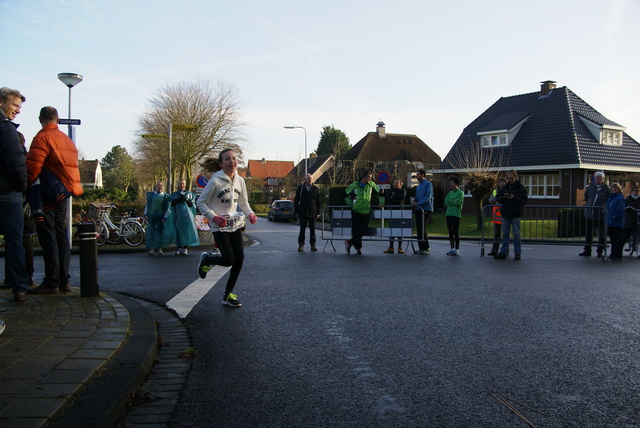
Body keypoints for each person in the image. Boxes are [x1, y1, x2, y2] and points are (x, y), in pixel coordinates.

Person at [26, 106, 82, 295]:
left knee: (47, 236)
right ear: (57, 120)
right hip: (64, 192)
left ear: (40, 119)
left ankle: (51, 281)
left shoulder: (42, 138)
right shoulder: (66, 140)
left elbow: (33, 168)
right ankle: (64, 280)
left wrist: (26, 187)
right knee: (61, 235)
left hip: (48, 194)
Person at [196, 149, 257, 307]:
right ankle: (207, 259)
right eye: (227, 159)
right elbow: (201, 203)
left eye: (234, 159)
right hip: (219, 226)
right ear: (221, 163)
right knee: (229, 259)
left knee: (240, 258)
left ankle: (228, 294)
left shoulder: (240, 181)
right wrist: (213, 217)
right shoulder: (215, 181)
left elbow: (243, 203)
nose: (232, 162)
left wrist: (250, 214)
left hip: (234, 224)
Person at [0, 87, 29, 302]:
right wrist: (22, 186)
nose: (18, 110)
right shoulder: (6, 129)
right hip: (7, 192)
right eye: (15, 105)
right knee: (14, 240)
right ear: (2, 102)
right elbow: (17, 163)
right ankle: (19, 286)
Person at [2, 132, 36, 291]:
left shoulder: (15, 155)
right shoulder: (25, 156)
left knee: (15, 240)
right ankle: (23, 280)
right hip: (24, 202)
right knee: (22, 240)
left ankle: (15, 278)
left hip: (16, 199)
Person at [494, 169, 528, 260]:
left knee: (516, 234)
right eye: (509, 178)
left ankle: (517, 253)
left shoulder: (521, 188)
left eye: (512, 178)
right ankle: (503, 252)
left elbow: (524, 200)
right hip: (506, 213)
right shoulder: (504, 188)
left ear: (515, 177)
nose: (510, 180)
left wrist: (514, 198)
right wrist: (504, 197)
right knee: (505, 234)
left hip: (516, 213)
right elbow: (498, 197)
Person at [344, 170, 380, 255]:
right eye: (369, 177)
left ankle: (349, 242)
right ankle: (358, 249)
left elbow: (379, 193)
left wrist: (381, 203)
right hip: (356, 210)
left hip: (366, 210)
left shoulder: (371, 185)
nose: (371, 179)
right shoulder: (354, 185)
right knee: (356, 230)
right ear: (364, 177)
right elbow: (345, 194)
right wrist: (352, 203)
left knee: (364, 229)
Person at [579, 171, 609, 257]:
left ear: (603, 179)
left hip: (600, 214)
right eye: (597, 177)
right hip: (590, 213)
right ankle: (587, 250)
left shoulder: (606, 188)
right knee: (588, 233)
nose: (598, 179)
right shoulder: (590, 187)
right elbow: (587, 197)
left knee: (601, 234)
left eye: (600, 178)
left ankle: (600, 251)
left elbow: (607, 199)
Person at [169, 178, 199, 255]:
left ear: (185, 185)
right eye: (180, 184)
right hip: (178, 215)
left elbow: (191, 205)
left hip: (187, 216)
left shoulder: (189, 194)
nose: (182, 185)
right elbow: (172, 204)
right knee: (178, 231)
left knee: (186, 231)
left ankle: (185, 248)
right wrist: (178, 200)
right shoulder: (175, 194)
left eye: (183, 184)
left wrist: (186, 199)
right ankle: (179, 247)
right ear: (178, 185)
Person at [294, 173, 321, 252]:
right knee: (302, 229)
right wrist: (296, 211)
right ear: (305, 179)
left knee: (313, 230)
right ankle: (301, 244)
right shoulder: (301, 188)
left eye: (311, 178)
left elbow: (318, 201)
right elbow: (296, 200)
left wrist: (318, 212)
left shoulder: (315, 189)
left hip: (313, 212)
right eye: (308, 178)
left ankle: (313, 245)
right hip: (303, 212)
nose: (310, 180)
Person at [144, 181, 172, 255]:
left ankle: (160, 248)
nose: (160, 187)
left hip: (160, 217)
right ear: (156, 186)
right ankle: (152, 248)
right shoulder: (152, 195)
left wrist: (165, 217)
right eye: (158, 185)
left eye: (161, 185)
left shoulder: (165, 196)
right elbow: (148, 205)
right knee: (152, 232)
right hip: (152, 216)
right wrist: (145, 214)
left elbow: (167, 208)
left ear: (163, 187)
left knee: (160, 232)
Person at [412, 169, 433, 255]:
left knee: (423, 228)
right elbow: (418, 196)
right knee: (419, 228)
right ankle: (421, 247)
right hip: (418, 209)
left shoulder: (428, 184)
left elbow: (428, 196)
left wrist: (419, 203)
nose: (417, 176)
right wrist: (413, 200)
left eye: (418, 174)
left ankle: (426, 247)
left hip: (425, 209)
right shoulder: (419, 186)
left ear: (423, 175)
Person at [383, 178, 407, 254]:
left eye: (397, 183)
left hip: (400, 211)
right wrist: (394, 198)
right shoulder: (391, 191)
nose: (396, 184)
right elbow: (388, 199)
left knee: (399, 230)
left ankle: (400, 247)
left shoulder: (403, 191)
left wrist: (393, 198)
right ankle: (391, 247)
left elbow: (401, 198)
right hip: (391, 211)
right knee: (391, 230)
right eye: (395, 183)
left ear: (401, 184)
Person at [444, 176, 464, 256]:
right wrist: (452, 201)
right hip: (449, 213)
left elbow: (458, 203)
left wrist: (451, 201)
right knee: (450, 232)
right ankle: (452, 248)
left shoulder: (460, 193)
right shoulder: (450, 193)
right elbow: (446, 202)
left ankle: (457, 249)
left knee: (455, 231)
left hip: (456, 214)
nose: (451, 184)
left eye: (452, 183)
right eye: (450, 182)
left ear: (456, 184)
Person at [487, 178, 506, 256]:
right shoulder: (495, 191)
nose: (501, 184)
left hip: (505, 215)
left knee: (505, 234)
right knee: (496, 234)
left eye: (503, 182)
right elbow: (490, 200)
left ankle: (505, 251)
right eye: (500, 182)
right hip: (497, 216)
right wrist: (497, 197)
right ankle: (494, 250)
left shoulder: (507, 190)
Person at [606, 183, 625, 260]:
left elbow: (620, 209)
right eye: (613, 188)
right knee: (613, 239)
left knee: (617, 238)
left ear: (619, 190)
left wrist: (615, 217)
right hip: (610, 221)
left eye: (615, 188)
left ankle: (617, 254)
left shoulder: (620, 198)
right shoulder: (611, 198)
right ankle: (613, 253)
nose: (614, 190)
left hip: (616, 221)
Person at [622, 186, 640, 253]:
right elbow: (625, 207)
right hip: (630, 218)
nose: (636, 192)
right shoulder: (628, 199)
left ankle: (636, 243)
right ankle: (619, 250)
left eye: (638, 191)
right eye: (635, 190)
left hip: (638, 217)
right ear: (632, 191)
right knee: (626, 233)